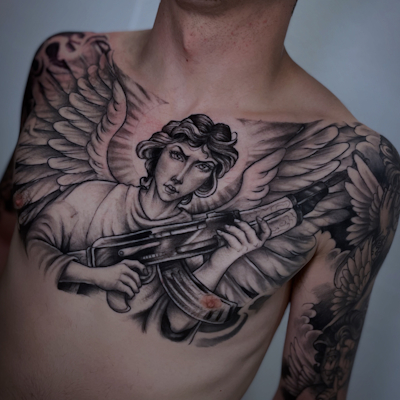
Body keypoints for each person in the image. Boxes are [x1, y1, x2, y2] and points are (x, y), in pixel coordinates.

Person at [0, 1, 399, 399]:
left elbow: (309, 392)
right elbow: (7, 240)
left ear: (210, 179)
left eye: (202, 166)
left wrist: (224, 259)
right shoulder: (67, 65)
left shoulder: (357, 168)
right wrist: (94, 276)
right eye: (177, 155)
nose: (180, 174)